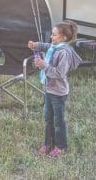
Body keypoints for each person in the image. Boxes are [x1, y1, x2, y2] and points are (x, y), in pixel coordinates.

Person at [28, 21, 82, 158]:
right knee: (48, 119)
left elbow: (59, 73)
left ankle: (61, 146)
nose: (51, 37)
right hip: (49, 90)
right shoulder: (55, 47)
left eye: (54, 35)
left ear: (63, 38)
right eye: (52, 34)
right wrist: (36, 45)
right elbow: (47, 46)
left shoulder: (64, 52)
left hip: (58, 93)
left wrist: (44, 65)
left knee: (58, 121)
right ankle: (48, 144)